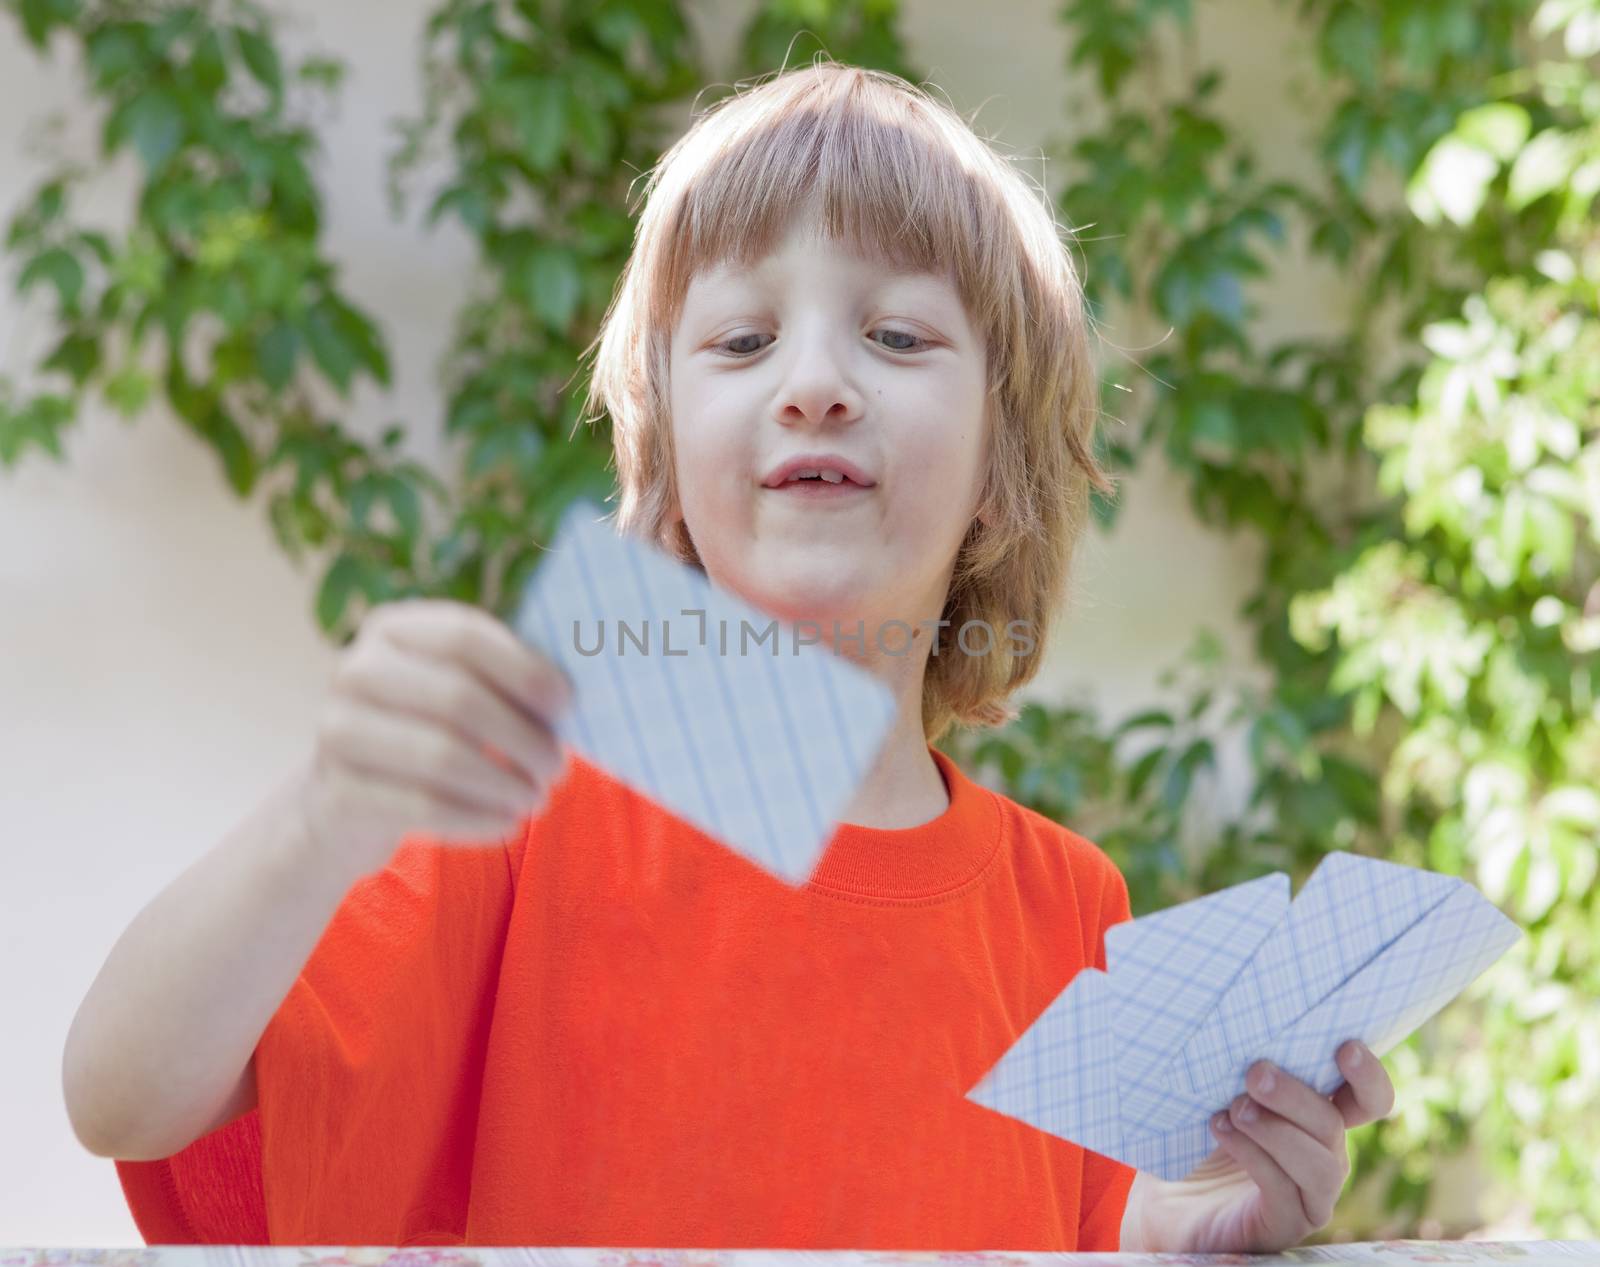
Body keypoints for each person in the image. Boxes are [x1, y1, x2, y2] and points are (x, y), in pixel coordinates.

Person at [62, 59, 1394, 1252]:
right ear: (668, 471)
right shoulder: (517, 813)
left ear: (1000, 470)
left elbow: (1105, 1231)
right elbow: (120, 1095)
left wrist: (1190, 1226)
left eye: (899, 334)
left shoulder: (1072, 911)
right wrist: (321, 817)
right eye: (743, 340)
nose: (813, 380)